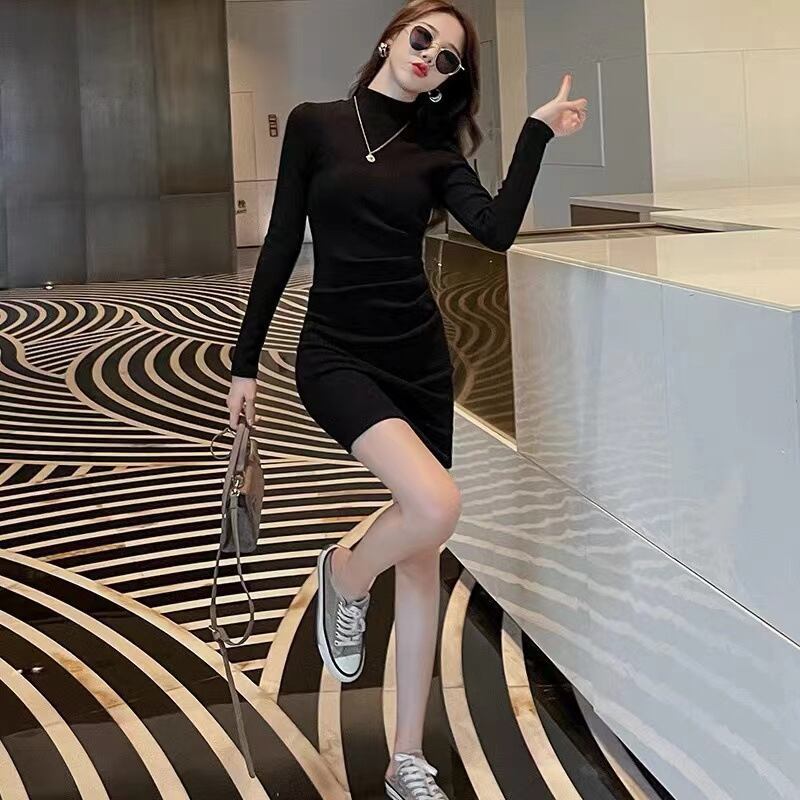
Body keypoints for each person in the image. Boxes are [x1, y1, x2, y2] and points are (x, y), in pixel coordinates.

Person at [227, 1, 586, 797]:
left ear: (448, 82)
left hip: (419, 362)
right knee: (436, 504)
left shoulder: (435, 153)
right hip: (335, 355)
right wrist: (244, 364)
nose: (430, 56)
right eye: (423, 38)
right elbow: (281, 242)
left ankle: (406, 761)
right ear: (392, 36)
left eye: (448, 58)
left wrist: (535, 133)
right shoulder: (316, 124)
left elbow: (496, 231)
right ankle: (346, 573)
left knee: (424, 553)